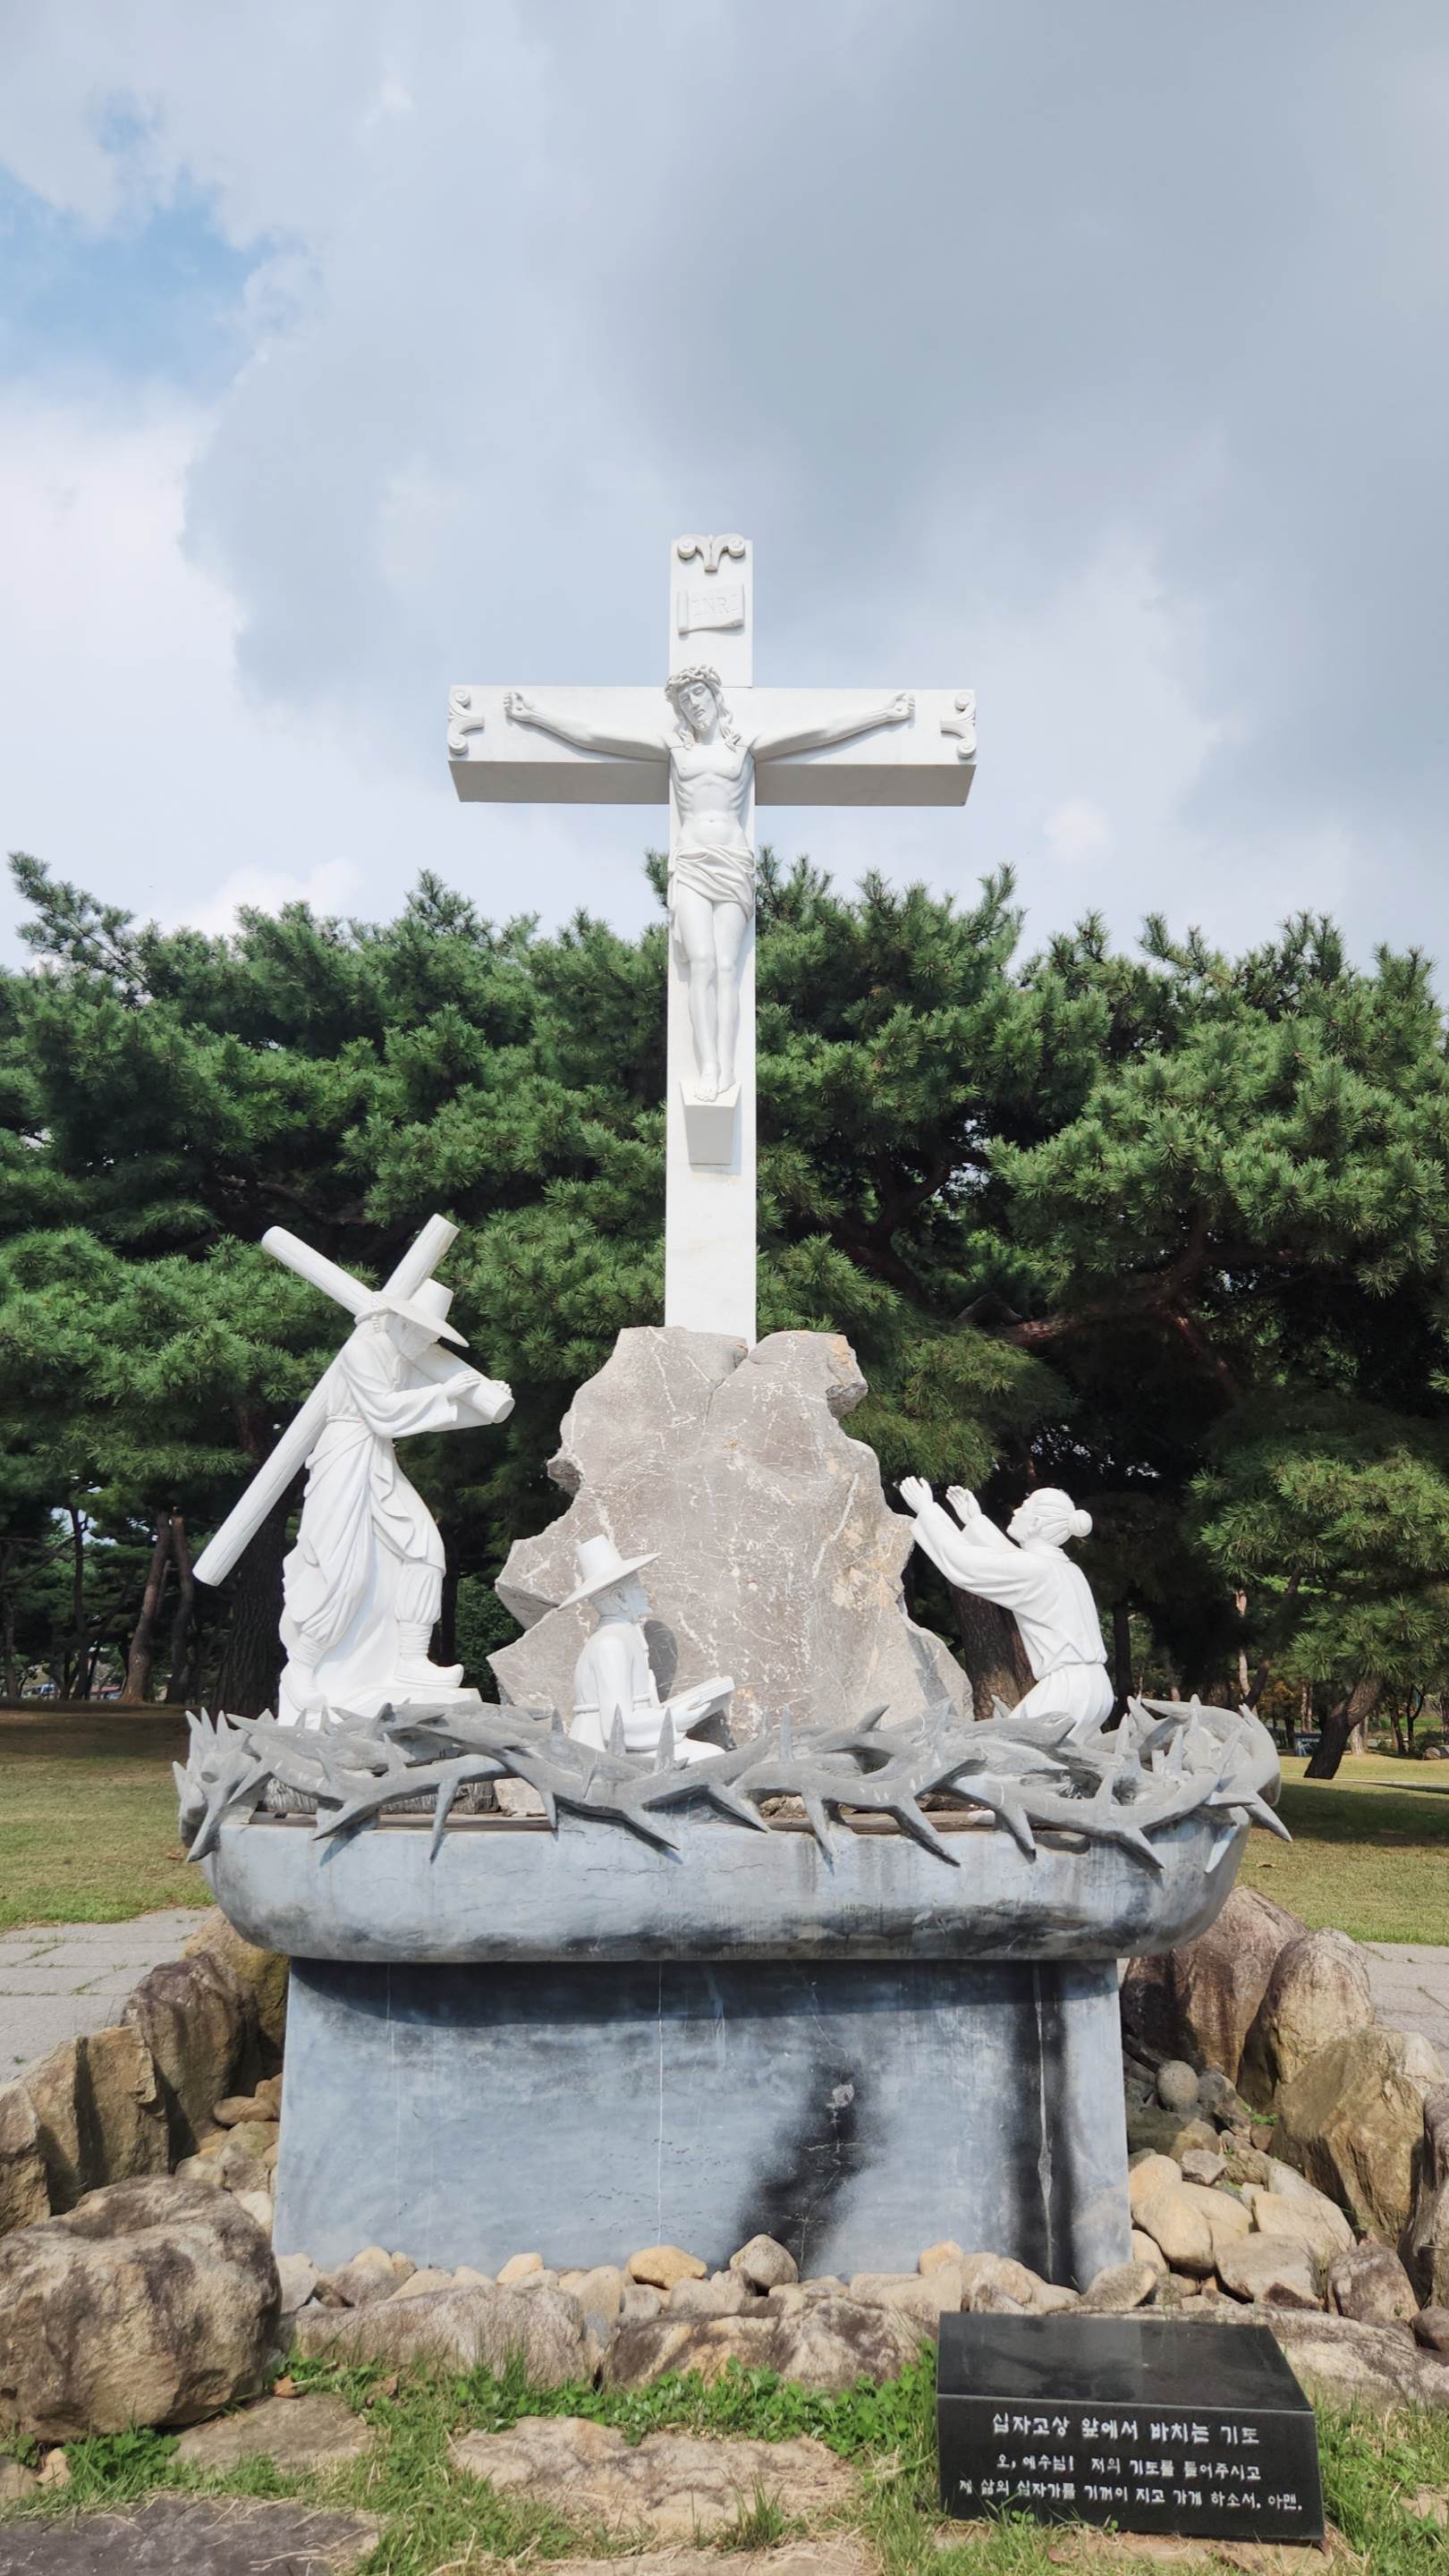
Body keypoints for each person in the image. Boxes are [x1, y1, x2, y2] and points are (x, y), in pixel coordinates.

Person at [504, 669, 913, 1100]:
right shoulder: (674, 749)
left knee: (726, 968)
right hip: (691, 863)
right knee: (701, 963)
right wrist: (535, 715)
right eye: (684, 700)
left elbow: (820, 732)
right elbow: (592, 736)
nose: (693, 704)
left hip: (733, 863)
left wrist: (882, 715)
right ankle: (709, 1066)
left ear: (716, 696)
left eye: (698, 693)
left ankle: (727, 1065)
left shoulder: (746, 746)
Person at [278, 1279, 512, 1725]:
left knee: (425, 1550)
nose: (427, 1344)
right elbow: (386, 1413)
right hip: (344, 1458)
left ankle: (411, 1659)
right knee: (342, 1573)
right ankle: (303, 1668)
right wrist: (446, 1391)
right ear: (402, 1323)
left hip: (378, 1460)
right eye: (424, 1333)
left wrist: (483, 1406)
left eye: (432, 1336)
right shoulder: (362, 1350)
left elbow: (426, 1414)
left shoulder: (404, 1357)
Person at [898, 1478, 1113, 1732]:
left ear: (1036, 1523)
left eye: (1025, 1507)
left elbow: (965, 1564)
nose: (1017, 1510)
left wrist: (927, 1510)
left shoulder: (1037, 1569)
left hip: (1067, 1690)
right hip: (1096, 1689)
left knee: (999, 1750)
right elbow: (1013, 1559)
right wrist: (975, 1521)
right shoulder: (1066, 1568)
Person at [562, 1533, 732, 1758]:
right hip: (602, 1753)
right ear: (620, 1597)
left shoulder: (623, 1637)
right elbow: (615, 1727)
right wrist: (674, 1719)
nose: (645, 1592)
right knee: (713, 1757)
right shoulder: (611, 1644)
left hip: (630, 1742)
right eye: (637, 1586)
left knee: (712, 1756)